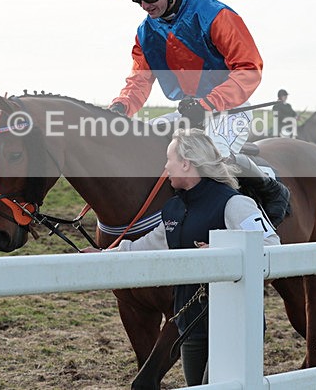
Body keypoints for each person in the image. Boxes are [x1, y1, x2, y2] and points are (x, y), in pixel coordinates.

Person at [108, 0, 289, 225]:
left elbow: (249, 68)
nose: (144, 4)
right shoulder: (145, 32)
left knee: (207, 159)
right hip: (189, 110)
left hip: (230, 108)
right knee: (142, 143)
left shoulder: (214, 14)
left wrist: (209, 103)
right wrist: (121, 107)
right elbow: (139, 80)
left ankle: (269, 186)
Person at [82, 129, 280, 386]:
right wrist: (104, 256)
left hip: (234, 327)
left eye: (169, 159)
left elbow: (272, 246)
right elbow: (146, 246)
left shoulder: (236, 204)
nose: (165, 166)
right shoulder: (174, 209)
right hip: (190, 325)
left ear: (186, 163)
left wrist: (224, 256)